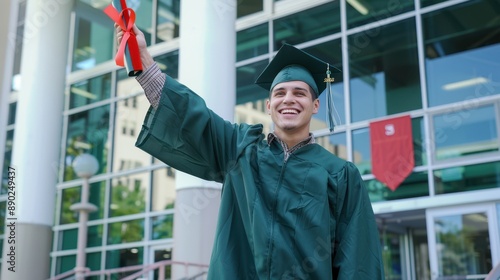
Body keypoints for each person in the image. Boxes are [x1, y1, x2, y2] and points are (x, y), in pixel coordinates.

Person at [117, 24, 385, 279]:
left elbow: (357, 259)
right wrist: (143, 61)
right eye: (280, 93)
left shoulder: (340, 174)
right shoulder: (240, 148)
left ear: (315, 106)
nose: (288, 99)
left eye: (299, 93)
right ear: (269, 105)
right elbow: (190, 116)